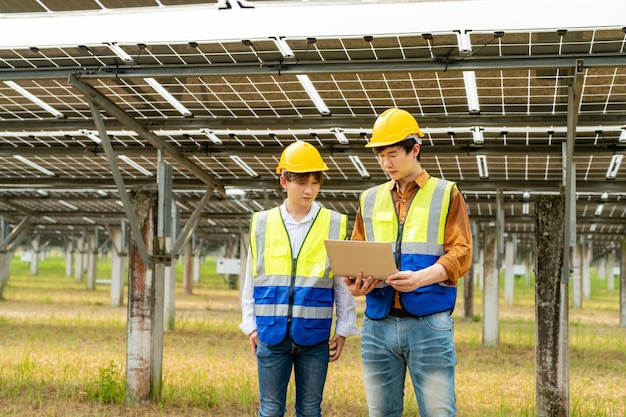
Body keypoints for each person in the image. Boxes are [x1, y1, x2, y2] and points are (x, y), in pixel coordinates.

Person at [344, 108, 473, 417]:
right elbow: (356, 250)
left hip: (428, 324)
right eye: (380, 156)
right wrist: (356, 282)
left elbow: (461, 253)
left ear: (415, 149)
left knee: (439, 413)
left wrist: (420, 278)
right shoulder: (369, 199)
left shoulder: (446, 194)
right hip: (378, 323)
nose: (386, 164)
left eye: (392, 155)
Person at [239, 140, 360, 417]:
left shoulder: (334, 223)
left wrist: (344, 327)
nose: (309, 190)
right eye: (301, 182)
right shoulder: (262, 223)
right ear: (284, 181)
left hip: (315, 336)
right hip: (271, 334)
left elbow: (341, 282)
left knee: (310, 410)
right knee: (270, 410)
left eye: (315, 182)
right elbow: (251, 279)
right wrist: (250, 325)